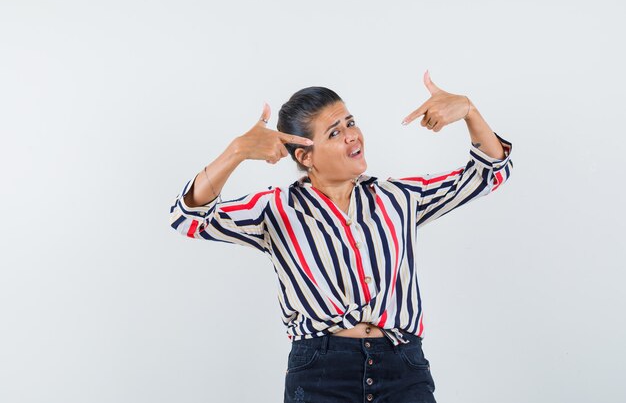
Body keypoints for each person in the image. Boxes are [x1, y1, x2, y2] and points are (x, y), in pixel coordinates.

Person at [169, 70, 513, 403]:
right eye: (334, 133)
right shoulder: (275, 209)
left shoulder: (398, 197)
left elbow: (490, 173)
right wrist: (237, 152)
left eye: (350, 123)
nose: (352, 135)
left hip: (403, 369)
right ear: (305, 156)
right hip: (321, 372)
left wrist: (469, 109)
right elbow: (188, 218)